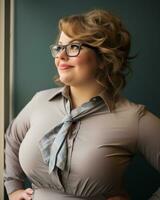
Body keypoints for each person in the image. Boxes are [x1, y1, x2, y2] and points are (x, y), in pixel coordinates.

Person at [4, 9, 160, 200]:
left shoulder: (133, 119)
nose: (60, 56)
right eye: (59, 47)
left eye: (73, 47)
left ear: (103, 58)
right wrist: (12, 187)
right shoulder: (40, 101)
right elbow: (13, 138)